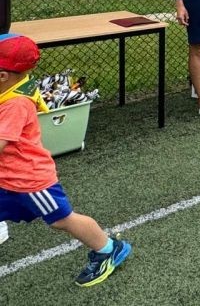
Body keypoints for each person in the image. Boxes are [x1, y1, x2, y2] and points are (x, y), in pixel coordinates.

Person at [0, 34, 132, 287]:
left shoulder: (15, 104)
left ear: (4, 75)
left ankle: (108, 249)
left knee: (62, 219)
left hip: (29, 181)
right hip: (7, 178)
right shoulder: (11, 87)